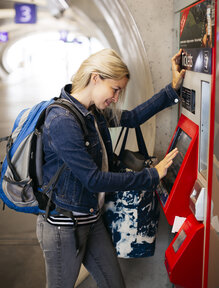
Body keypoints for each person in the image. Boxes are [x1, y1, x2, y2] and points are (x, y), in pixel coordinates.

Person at [36, 48, 185, 288]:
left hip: (91, 220)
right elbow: (94, 180)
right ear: (96, 77)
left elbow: (133, 117)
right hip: (63, 228)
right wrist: (150, 176)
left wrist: (172, 89)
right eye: (115, 89)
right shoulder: (63, 120)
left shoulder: (92, 113)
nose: (116, 98)